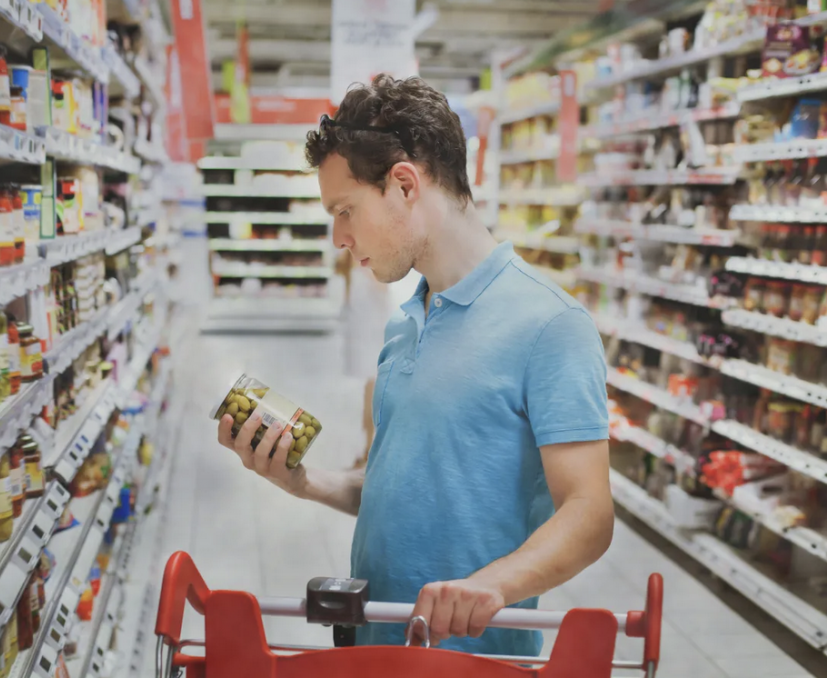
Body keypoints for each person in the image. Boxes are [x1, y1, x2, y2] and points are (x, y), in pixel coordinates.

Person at [216, 74, 613, 657]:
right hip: (378, 643)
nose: (338, 237)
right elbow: (400, 486)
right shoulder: (406, 319)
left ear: (404, 184)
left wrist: (491, 586)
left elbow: (589, 513)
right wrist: (306, 482)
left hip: (475, 659)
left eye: (345, 209)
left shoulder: (551, 325)